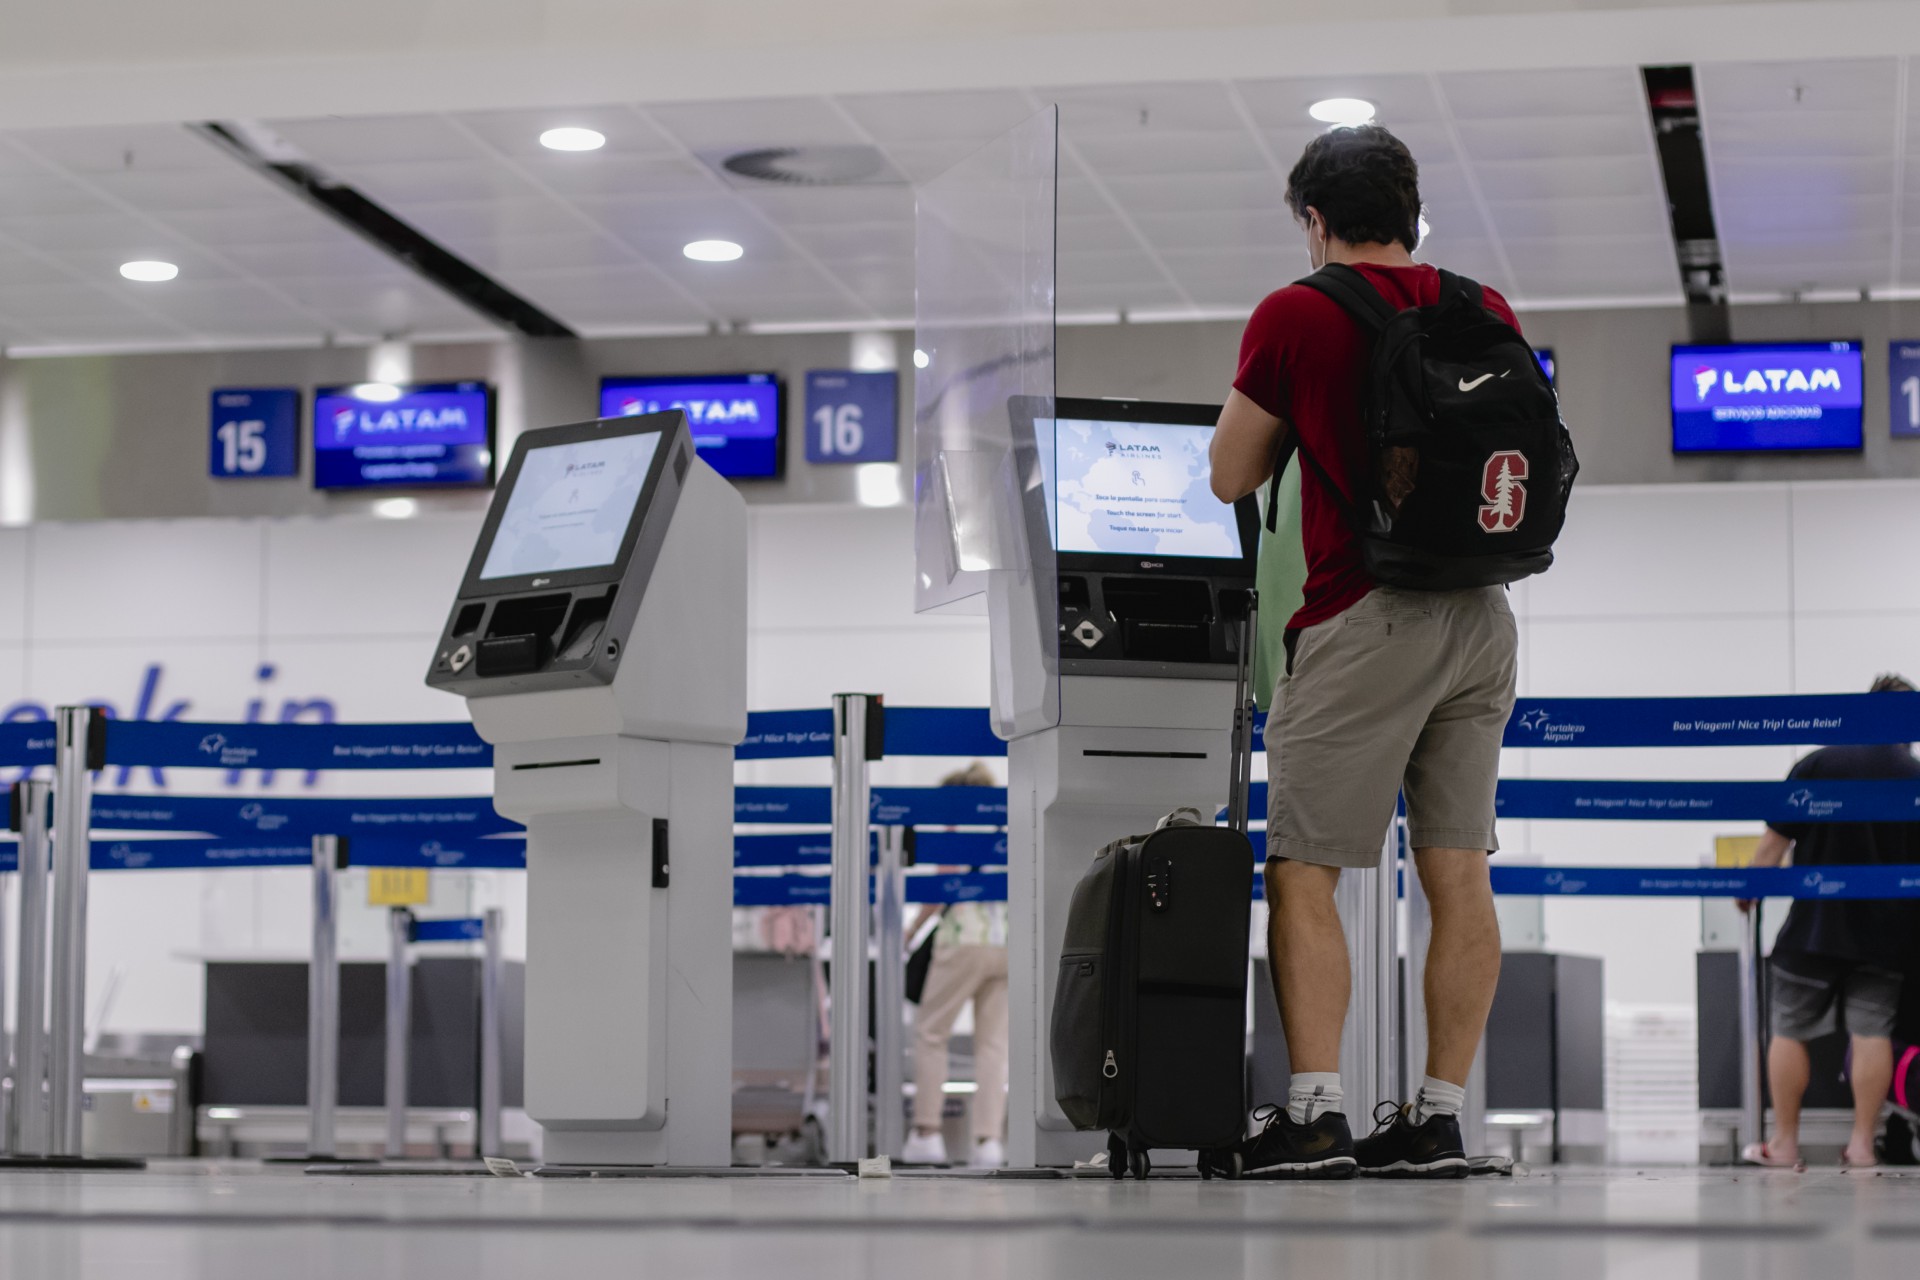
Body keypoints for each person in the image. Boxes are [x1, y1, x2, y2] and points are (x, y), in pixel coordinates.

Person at [1203, 123, 1521, 1180]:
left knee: (1306, 867)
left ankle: (1315, 1112)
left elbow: (1230, 473)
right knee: (1458, 869)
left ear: (1315, 219)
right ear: (1411, 210)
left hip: (1365, 611)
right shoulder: (1481, 306)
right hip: (1484, 617)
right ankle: (1436, 1116)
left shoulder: (1297, 312)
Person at [1741, 673, 1920, 1170]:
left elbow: (1773, 845)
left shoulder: (1819, 762)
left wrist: (1751, 892)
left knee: (1790, 1031)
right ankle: (1863, 1145)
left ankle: (1785, 1144)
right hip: (1886, 937)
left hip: (1814, 929)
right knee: (1871, 1033)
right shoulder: (1915, 776)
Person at [900, 762, 1009, 1168]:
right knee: (993, 1045)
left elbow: (943, 887)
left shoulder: (954, 830)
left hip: (962, 940)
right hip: (1004, 943)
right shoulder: (1003, 827)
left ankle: (927, 1133)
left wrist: (912, 929)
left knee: (930, 1033)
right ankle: (988, 1142)